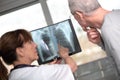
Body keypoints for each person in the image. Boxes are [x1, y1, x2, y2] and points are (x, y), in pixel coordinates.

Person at [0, 29, 77, 80]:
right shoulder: (39, 73)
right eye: (30, 42)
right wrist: (65, 55)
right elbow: (72, 67)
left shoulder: (13, 76)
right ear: (20, 51)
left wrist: (49, 68)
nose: (35, 45)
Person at [68, 0, 120, 75]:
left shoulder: (109, 28)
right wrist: (100, 42)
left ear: (79, 15)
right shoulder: (116, 15)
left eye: (74, 17)